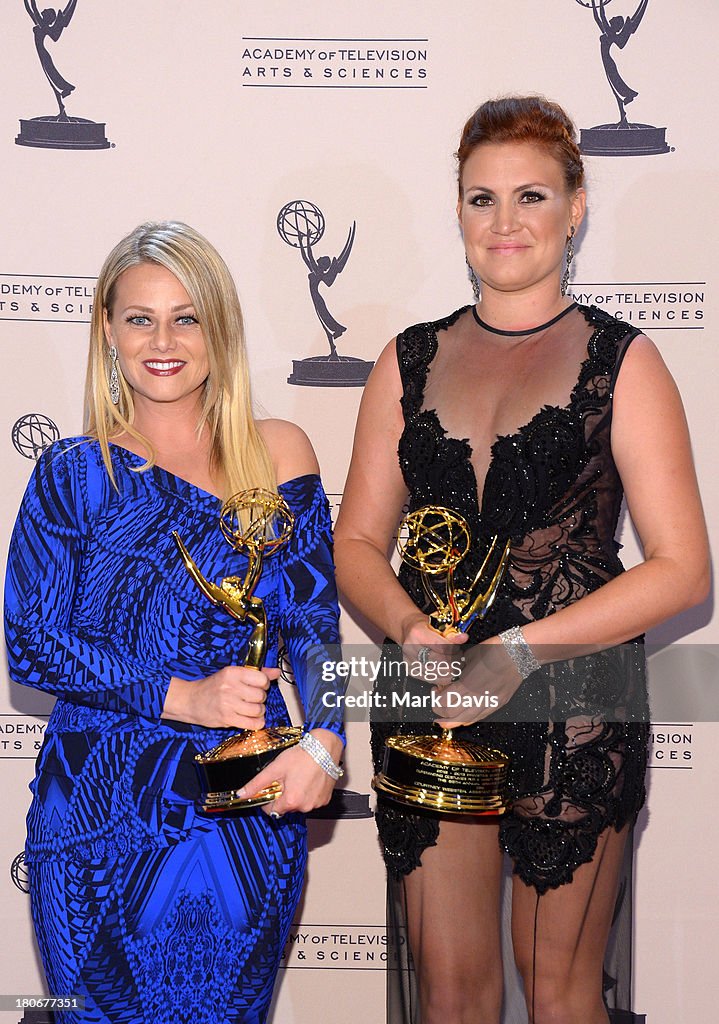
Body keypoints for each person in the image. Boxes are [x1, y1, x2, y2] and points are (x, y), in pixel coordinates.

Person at [334, 96, 709, 1024]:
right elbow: (354, 542)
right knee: (452, 998)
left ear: (574, 207)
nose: (504, 224)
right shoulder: (406, 360)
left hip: (571, 705)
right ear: (456, 209)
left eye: (531, 196)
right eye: (480, 199)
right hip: (431, 693)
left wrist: (520, 654)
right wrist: (408, 629)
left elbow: (680, 568)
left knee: (558, 995)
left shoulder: (622, 362)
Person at [4, 221, 345, 1024]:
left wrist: (327, 740)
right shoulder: (76, 471)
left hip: (240, 800)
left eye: (185, 317)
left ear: (217, 329)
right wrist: (180, 696)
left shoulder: (279, 452)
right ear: (108, 333)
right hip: (96, 809)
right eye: (139, 318)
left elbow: (310, 623)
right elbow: (30, 638)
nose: (162, 340)